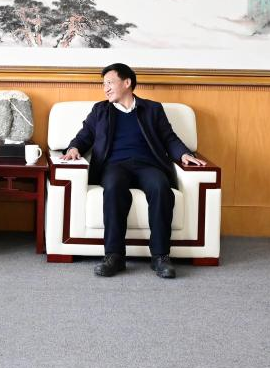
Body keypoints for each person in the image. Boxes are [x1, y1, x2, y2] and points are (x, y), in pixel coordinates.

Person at [62, 63, 205, 279]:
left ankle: (160, 256)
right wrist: (74, 148)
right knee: (113, 187)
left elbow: (169, 138)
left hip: (148, 165)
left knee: (160, 188)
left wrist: (184, 154)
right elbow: (85, 135)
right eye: (103, 84)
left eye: (110, 83)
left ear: (127, 83)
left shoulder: (153, 109)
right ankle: (114, 256)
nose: (105, 89)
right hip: (114, 166)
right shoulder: (100, 110)